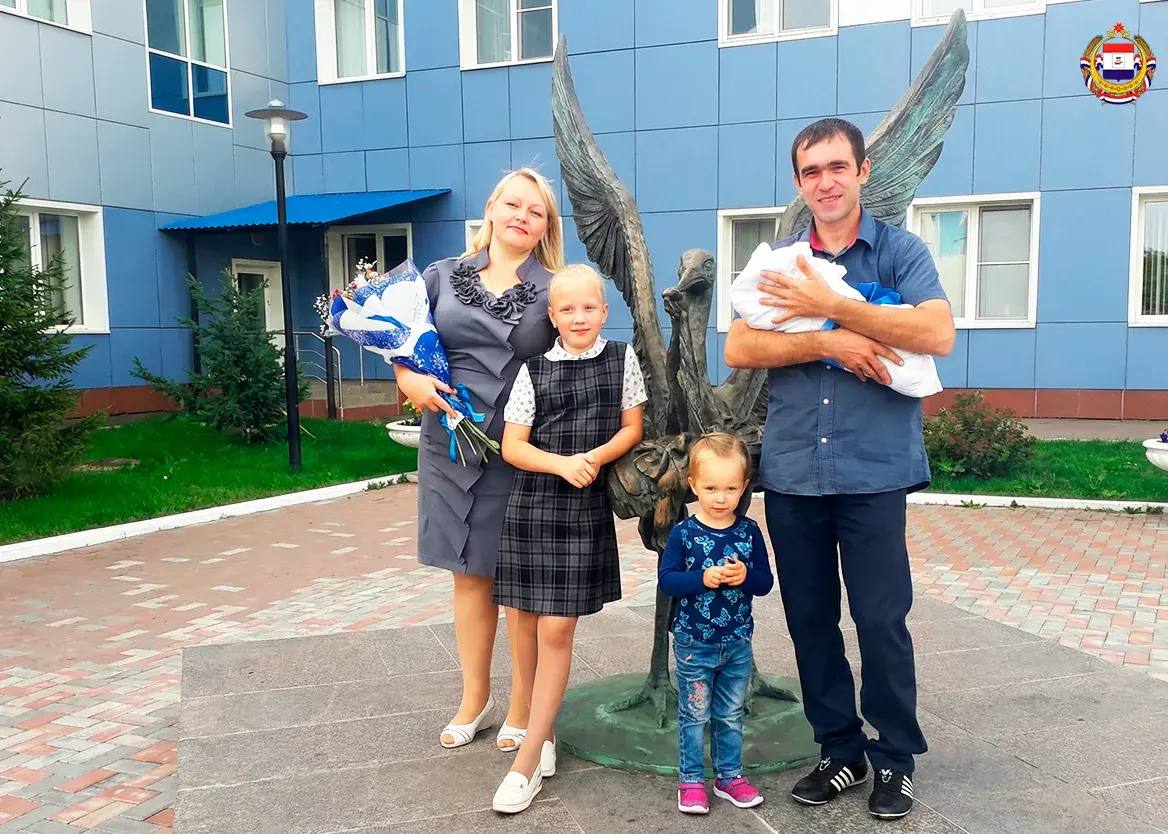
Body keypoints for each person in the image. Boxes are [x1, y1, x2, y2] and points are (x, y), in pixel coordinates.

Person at [724, 117, 956, 820]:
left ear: (861, 172)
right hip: (794, 469)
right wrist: (828, 344)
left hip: (874, 469)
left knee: (882, 619)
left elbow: (937, 331)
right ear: (799, 183)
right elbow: (739, 346)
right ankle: (840, 750)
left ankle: (894, 758)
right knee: (810, 621)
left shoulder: (900, 251)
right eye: (811, 171)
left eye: (836, 167)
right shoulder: (779, 262)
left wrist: (828, 306)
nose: (825, 182)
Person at [394, 168, 563, 752]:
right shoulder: (440, 276)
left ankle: (522, 705)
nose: (521, 216)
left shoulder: (553, 287)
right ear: (490, 208)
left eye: (535, 211)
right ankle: (474, 698)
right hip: (448, 443)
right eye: (513, 204)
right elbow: (404, 343)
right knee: (467, 574)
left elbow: (575, 355)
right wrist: (408, 380)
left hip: (519, 447)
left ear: (545, 227)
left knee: (517, 581)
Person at [489, 264, 646, 814]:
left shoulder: (622, 359)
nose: (579, 317)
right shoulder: (532, 371)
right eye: (568, 309)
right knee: (526, 625)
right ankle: (545, 732)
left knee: (556, 628)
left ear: (604, 312)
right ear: (553, 317)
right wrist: (561, 464)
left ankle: (527, 760)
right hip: (532, 506)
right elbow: (512, 446)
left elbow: (632, 427)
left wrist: (594, 459)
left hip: (582, 509)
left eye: (589, 307)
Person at [658, 433, 774, 816]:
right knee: (695, 714)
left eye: (730, 488)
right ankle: (691, 780)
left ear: (744, 487)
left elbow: (765, 582)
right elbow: (668, 580)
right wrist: (701, 579)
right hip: (694, 643)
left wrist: (746, 576)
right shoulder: (684, 533)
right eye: (710, 488)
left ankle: (729, 776)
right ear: (693, 485)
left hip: (738, 643)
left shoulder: (749, 532)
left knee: (730, 713)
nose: (721, 498)